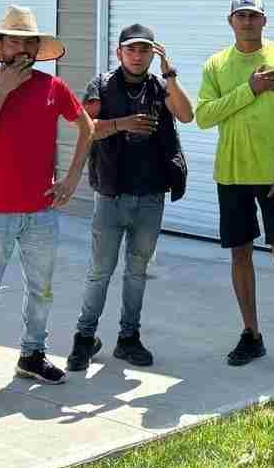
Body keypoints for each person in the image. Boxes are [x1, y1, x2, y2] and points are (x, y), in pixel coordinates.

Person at [0, 5, 94, 397]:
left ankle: (32, 356)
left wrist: (71, 177)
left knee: (41, 290)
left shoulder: (53, 88)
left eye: (29, 40)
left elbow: (87, 126)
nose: (22, 47)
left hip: (40, 212)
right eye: (14, 39)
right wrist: (4, 88)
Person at [194, 0, 274, 379]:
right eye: (240, 16)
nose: (247, 22)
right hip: (231, 175)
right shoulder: (216, 64)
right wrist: (251, 89)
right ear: (230, 21)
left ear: (265, 20)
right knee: (239, 255)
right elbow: (204, 117)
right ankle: (252, 334)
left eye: (253, 16)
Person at [67, 23, 194, 372]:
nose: (138, 57)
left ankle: (128, 338)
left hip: (151, 196)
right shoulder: (102, 86)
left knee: (137, 271)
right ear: (119, 52)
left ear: (154, 54)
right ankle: (84, 338)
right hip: (111, 195)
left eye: (145, 50)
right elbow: (85, 126)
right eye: (131, 50)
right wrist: (123, 123)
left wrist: (170, 73)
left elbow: (186, 114)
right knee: (100, 271)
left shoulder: (159, 85)